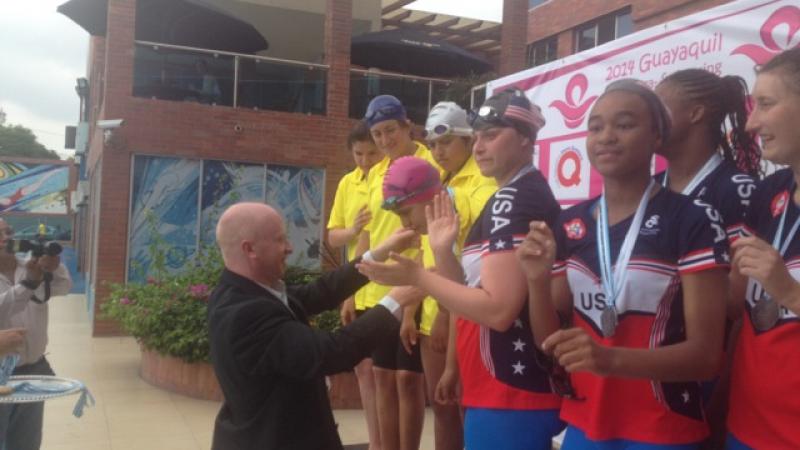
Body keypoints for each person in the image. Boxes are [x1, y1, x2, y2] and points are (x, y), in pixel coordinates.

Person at [517, 79, 729, 450]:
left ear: (656, 137)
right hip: (584, 422)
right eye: (595, 127)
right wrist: (536, 281)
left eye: (625, 124)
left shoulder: (692, 219)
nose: (607, 136)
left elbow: (707, 356)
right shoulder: (571, 223)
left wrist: (610, 359)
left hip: (661, 427)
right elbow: (549, 342)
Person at [358, 89, 565, 450]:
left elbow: (498, 311)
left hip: (510, 390)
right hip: (497, 386)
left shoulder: (513, 199)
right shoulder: (511, 193)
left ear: (525, 140)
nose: (480, 146)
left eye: (491, 135)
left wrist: (418, 278)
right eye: (478, 136)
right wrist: (442, 252)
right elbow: (470, 292)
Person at [207, 202, 419, 450]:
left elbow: (320, 292)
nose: (289, 247)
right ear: (250, 249)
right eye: (279, 240)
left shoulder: (247, 292)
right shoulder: (246, 313)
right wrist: (396, 300)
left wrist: (379, 253)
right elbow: (332, 352)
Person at [654, 68, 761, 449]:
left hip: (705, 376)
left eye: (660, 105)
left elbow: (742, 302)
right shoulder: (653, 189)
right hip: (649, 369)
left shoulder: (736, 189)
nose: (649, 114)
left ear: (696, 113)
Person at [352, 94, 440, 450]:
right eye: (377, 135)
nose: (385, 140)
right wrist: (351, 290)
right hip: (377, 291)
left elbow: (425, 239)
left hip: (413, 288)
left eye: (391, 130)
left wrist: (410, 308)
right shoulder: (376, 173)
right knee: (383, 376)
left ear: (408, 126)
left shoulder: (429, 163)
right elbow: (368, 234)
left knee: (408, 380)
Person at [727, 47, 800, 450]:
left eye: (767, 104)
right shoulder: (769, 193)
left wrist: (788, 292)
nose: (752, 123)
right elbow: (736, 303)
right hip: (747, 428)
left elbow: (782, 290)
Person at [416, 101, 497, 450]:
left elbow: (471, 267)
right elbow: (427, 252)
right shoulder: (441, 182)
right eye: (432, 145)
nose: (437, 151)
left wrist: (446, 316)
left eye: (446, 142)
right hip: (435, 309)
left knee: (465, 411)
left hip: (461, 315)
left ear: (468, 139)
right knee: (443, 409)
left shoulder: (484, 187)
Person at [381, 155, 474, 450]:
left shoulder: (459, 218)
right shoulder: (434, 224)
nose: (406, 224)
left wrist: (451, 364)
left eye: (407, 213)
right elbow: (425, 268)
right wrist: (411, 314)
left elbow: (461, 294)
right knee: (443, 406)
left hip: (463, 327)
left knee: (463, 410)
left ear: (430, 197)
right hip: (437, 320)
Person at [327, 120, 384, 449]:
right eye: (359, 153)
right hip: (359, 287)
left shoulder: (391, 177)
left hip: (390, 290)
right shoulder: (348, 183)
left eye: (371, 153)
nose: (365, 160)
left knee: (390, 375)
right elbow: (335, 236)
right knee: (364, 370)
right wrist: (353, 230)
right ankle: (375, 442)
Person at [0, 218, 72, 450]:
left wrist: (51, 266)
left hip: (33, 370)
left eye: (8, 231)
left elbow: (63, 287)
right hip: (2, 375)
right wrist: (29, 283)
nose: (6, 238)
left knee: (26, 442)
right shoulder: (30, 275)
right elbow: (5, 306)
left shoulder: (29, 265)